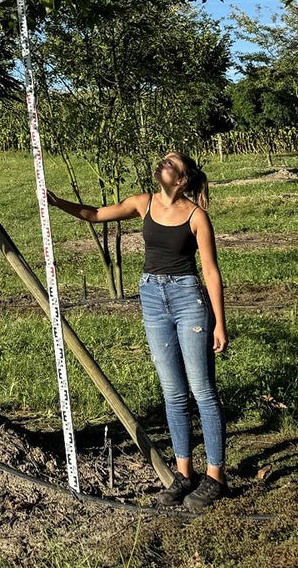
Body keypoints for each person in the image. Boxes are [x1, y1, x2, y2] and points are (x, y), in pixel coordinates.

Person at [47, 151, 228, 510]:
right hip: (152, 298)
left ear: (182, 179)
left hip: (188, 298)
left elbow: (210, 271)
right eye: (163, 160)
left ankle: (215, 477)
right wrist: (55, 202)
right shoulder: (142, 203)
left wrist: (219, 322)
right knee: (173, 392)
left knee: (203, 391)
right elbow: (95, 215)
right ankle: (183, 474)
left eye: (170, 163)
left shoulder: (196, 217)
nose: (162, 164)